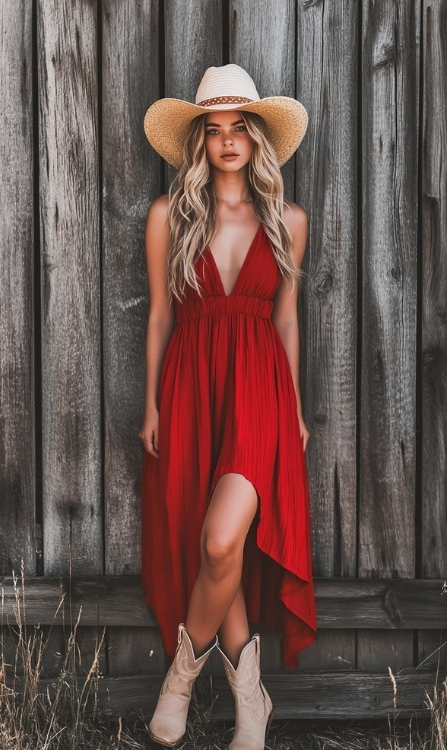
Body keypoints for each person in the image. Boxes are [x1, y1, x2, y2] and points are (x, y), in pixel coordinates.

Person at [139, 64, 316, 750]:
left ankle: (178, 680)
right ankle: (252, 700)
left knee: (220, 538)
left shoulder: (289, 221)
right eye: (214, 130)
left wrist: (295, 408)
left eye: (239, 127)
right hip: (189, 386)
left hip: (262, 392)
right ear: (200, 143)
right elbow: (159, 317)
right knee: (220, 548)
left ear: (259, 137)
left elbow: (288, 321)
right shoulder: (168, 216)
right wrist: (152, 404)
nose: (228, 141)